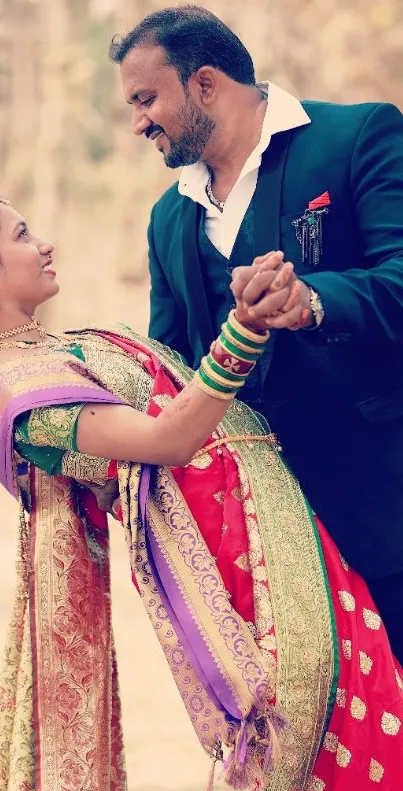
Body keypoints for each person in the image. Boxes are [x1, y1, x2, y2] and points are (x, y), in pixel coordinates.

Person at [0, 199, 402, 791]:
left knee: (372, 706)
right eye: (23, 235)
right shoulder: (23, 395)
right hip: (238, 554)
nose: (45, 243)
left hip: (274, 514)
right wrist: (245, 330)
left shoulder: (51, 352)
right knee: (325, 729)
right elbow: (167, 441)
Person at [109, 5, 403, 666]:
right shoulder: (166, 221)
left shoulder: (357, 136)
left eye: (146, 99)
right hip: (275, 554)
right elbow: (174, 373)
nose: (137, 123)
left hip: (386, 508)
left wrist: (312, 300)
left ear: (205, 84)